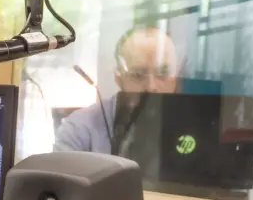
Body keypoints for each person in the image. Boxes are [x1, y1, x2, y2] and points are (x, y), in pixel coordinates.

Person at [55, 25, 179, 154]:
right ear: (118, 78)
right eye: (138, 74)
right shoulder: (80, 130)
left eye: (163, 73)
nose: (151, 87)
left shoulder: (195, 124)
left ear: (175, 77)